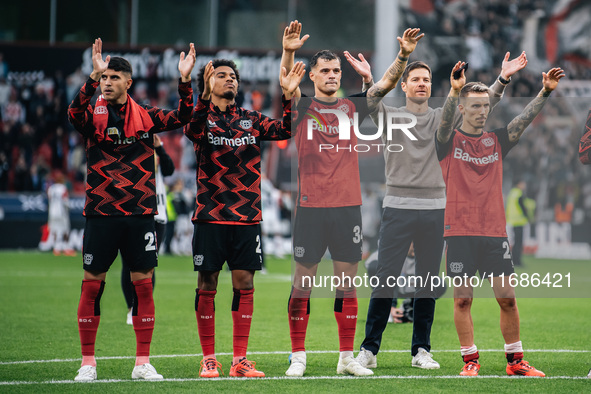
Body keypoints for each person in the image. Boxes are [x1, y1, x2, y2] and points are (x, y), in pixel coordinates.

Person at [347, 50, 528, 370]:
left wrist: (502, 79)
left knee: (427, 282)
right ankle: (369, 350)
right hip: (398, 207)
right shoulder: (391, 116)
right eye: (415, 79)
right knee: (385, 280)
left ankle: (421, 350)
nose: (421, 84)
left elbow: (484, 105)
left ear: (432, 87)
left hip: (436, 209)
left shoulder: (444, 117)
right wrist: (368, 80)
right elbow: (370, 102)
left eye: (426, 80)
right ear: (404, 86)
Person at [280, 20, 423, 377]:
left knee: (346, 283)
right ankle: (298, 355)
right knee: (303, 284)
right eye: (325, 70)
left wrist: (403, 55)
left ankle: (346, 357)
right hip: (311, 208)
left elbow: (387, 85)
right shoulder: (300, 108)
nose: (331, 75)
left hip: (347, 207)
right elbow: (287, 84)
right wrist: (289, 52)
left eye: (335, 70)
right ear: (311, 76)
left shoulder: (350, 107)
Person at [68, 38, 196, 381]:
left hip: (140, 215)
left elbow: (185, 115)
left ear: (128, 81)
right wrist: (90, 79)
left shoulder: (147, 118)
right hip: (101, 213)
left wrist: (184, 82)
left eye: (112, 77)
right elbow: (73, 113)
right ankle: (87, 363)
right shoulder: (91, 116)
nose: (107, 83)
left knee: (143, 285)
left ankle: (142, 363)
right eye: (104, 78)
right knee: (92, 284)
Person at [436, 61, 564, 377]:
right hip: (459, 232)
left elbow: (524, 119)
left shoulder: (497, 140)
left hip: (494, 233)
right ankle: (470, 362)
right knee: (463, 302)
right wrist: (454, 92)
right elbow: (442, 124)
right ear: (463, 110)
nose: (481, 111)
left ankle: (515, 362)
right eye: (474, 106)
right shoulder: (447, 142)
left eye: (485, 106)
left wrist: (544, 93)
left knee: (507, 300)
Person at [183, 56, 305, 378]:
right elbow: (190, 129)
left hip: (246, 217)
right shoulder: (201, 120)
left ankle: (240, 360)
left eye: (233, 76)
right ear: (208, 84)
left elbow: (287, 129)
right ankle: (209, 359)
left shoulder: (251, 120)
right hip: (209, 215)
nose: (230, 80)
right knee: (207, 282)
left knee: (245, 283)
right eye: (221, 75)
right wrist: (201, 97)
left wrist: (289, 96)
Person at [121, 134, 175, 325]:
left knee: (148, 265)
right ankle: (130, 308)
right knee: (128, 263)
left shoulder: (156, 156)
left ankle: (142, 307)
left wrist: (159, 147)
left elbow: (170, 169)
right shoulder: (130, 152)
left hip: (157, 216)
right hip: (134, 213)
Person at [46, 171, 75, 256]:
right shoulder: (63, 188)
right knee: (65, 230)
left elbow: (49, 200)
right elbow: (65, 201)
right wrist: (70, 207)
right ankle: (66, 248)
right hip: (61, 212)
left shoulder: (51, 189)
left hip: (52, 213)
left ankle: (56, 249)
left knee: (55, 230)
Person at [505, 180, 529, 267]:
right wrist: (527, 215)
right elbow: (521, 206)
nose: (524, 185)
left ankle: (514, 260)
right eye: (523, 183)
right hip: (519, 221)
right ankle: (517, 261)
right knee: (519, 243)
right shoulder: (519, 193)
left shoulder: (512, 193)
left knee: (515, 242)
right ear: (519, 184)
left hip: (512, 220)